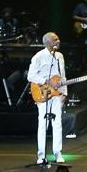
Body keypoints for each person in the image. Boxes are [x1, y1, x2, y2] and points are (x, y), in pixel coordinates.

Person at [28, 32, 68, 164]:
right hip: (43, 93)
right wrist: (46, 81)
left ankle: (58, 153)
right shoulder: (39, 56)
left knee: (57, 124)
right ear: (48, 43)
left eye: (58, 38)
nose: (59, 41)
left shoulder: (60, 56)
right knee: (43, 124)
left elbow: (62, 76)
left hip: (57, 94)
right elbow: (31, 76)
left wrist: (64, 93)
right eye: (55, 39)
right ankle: (41, 155)